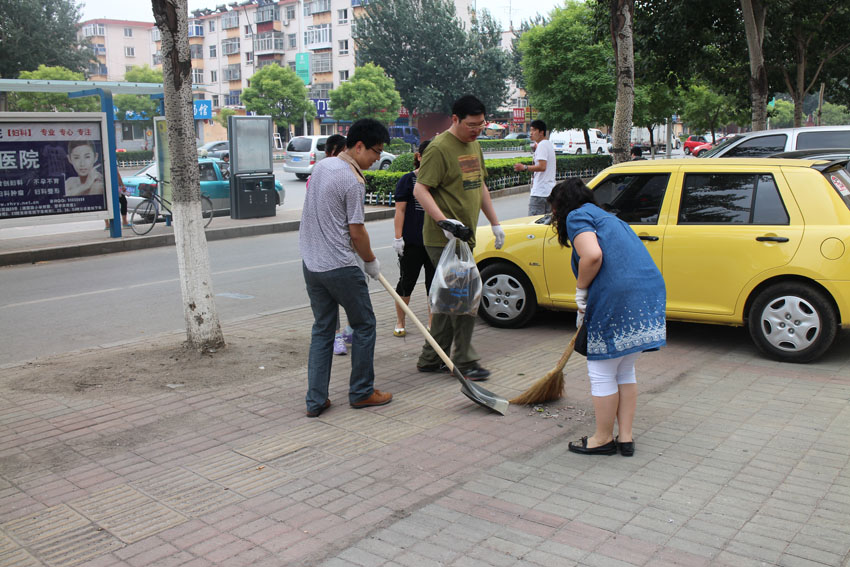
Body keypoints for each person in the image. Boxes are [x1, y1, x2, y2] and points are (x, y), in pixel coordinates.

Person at [547, 178, 666, 457]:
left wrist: (580, 292)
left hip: (618, 296)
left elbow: (592, 256)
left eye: (553, 208)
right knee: (624, 369)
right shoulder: (608, 217)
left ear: (560, 205)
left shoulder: (577, 215)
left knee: (601, 371)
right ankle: (625, 438)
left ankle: (602, 439)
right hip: (648, 292)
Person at [299, 118, 393, 418]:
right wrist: (370, 261)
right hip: (340, 267)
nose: (377, 158)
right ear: (359, 146)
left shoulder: (323, 166)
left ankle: (315, 400)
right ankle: (362, 392)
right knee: (365, 325)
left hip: (312, 265)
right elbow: (356, 231)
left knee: (323, 330)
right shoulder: (353, 180)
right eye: (376, 151)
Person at [412, 94, 505, 381]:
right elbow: (420, 189)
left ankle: (431, 358)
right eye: (471, 125)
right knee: (464, 298)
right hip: (443, 239)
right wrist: (444, 221)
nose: (477, 130)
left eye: (481, 124)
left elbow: (480, 186)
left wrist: (495, 223)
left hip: (465, 238)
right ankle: (465, 360)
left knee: (448, 301)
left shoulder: (474, 145)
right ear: (455, 119)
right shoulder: (439, 148)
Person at [392, 140, 435, 337]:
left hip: (434, 242)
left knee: (434, 284)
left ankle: (432, 323)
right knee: (406, 282)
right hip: (412, 242)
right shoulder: (407, 180)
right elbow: (400, 211)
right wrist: (398, 237)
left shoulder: (439, 181)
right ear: (419, 156)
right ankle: (400, 321)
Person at [321, 134, 356, 356]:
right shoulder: (320, 175)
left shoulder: (351, 176)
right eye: (340, 152)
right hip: (327, 251)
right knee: (330, 298)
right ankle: (336, 337)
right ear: (330, 153)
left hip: (347, 248)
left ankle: (350, 330)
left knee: (355, 292)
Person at [513, 119, 556, 215]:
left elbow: (542, 167)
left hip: (540, 193)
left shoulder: (542, 145)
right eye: (530, 130)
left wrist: (524, 167)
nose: (531, 133)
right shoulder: (548, 144)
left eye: (534, 130)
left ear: (541, 132)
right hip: (549, 191)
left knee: (534, 221)